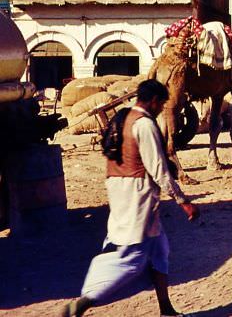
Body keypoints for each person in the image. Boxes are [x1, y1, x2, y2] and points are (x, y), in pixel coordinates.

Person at [62, 79, 198, 317]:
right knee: (132, 257)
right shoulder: (144, 124)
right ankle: (85, 301)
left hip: (122, 189)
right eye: (161, 103)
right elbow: (158, 169)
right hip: (139, 194)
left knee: (159, 251)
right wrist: (183, 201)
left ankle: (166, 309)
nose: (161, 109)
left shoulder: (123, 117)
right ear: (154, 101)